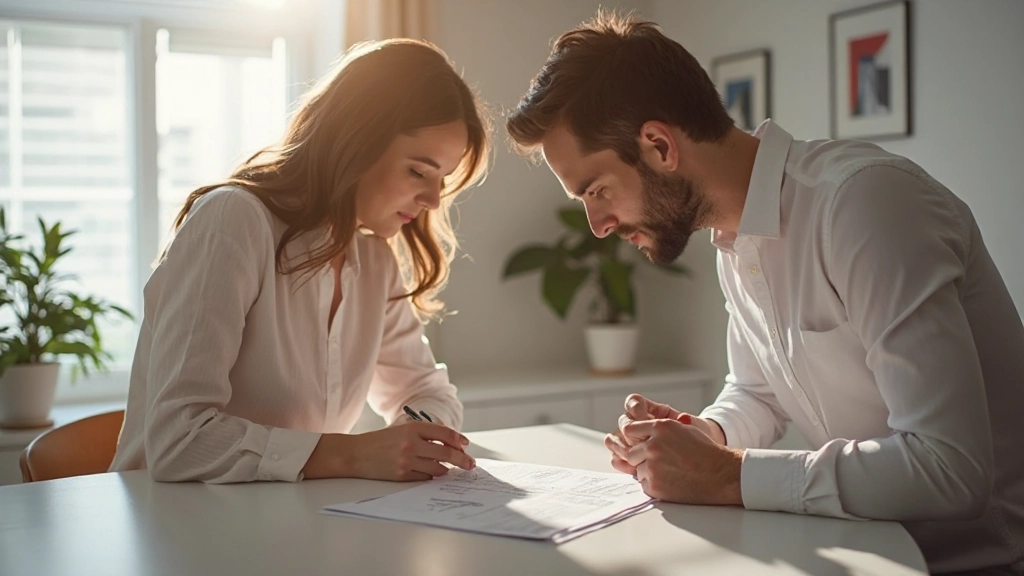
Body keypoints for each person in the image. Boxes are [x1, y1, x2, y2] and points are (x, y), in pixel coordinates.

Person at [506, 11, 1024, 575]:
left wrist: (728, 474)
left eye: (597, 189)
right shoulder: (735, 236)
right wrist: (701, 435)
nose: (597, 225)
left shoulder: (864, 207)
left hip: (985, 560)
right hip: (876, 551)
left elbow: (949, 469)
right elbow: (760, 392)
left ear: (658, 145)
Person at [110, 38, 488, 484]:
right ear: (355, 141)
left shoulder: (374, 260)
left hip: (291, 528)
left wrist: (416, 437)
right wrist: (353, 456)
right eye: (418, 171)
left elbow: (426, 391)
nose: (431, 198)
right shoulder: (232, 221)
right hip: (171, 529)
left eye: (441, 179)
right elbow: (180, 440)